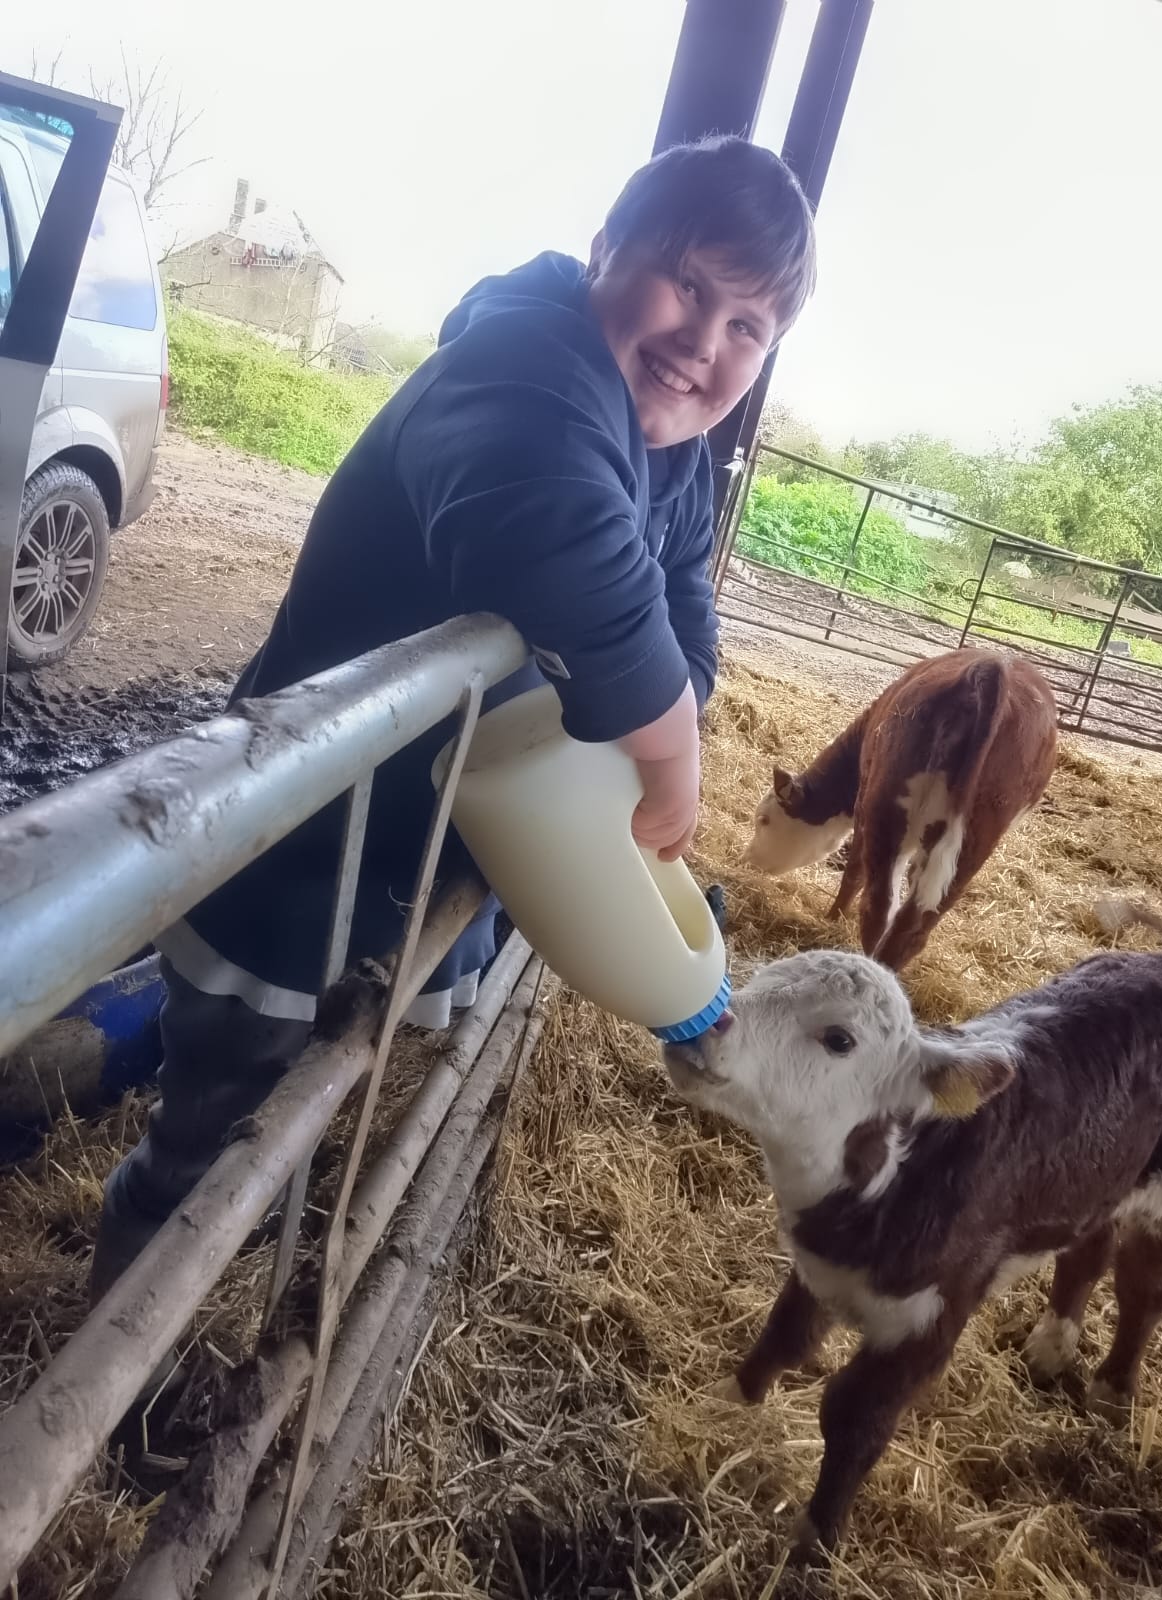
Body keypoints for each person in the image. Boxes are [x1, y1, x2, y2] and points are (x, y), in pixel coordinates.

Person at [89, 133, 817, 1307]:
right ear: (606, 251)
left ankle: (230, 1260)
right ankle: (126, 1345)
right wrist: (670, 744)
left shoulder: (674, 461)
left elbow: (686, 614)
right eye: (688, 285)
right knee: (210, 1132)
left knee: (323, 1098)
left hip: (414, 854)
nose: (704, 340)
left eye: (748, 326)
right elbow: (559, 532)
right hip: (300, 848)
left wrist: (672, 686)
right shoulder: (523, 369)